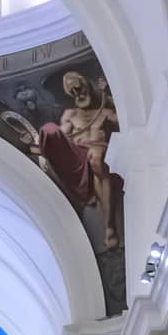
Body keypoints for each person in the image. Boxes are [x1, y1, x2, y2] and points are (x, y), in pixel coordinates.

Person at [36, 71, 124, 251]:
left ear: (87, 85)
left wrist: (110, 98)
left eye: (79, 88)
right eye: (72, 92)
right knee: (49, 129)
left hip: (99, 152)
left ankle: (109, 226)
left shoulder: (105, 112)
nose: (78, 94)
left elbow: (127, 124)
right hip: (77, 155)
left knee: (96, 158)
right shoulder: (70, 114)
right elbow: (63, 133)